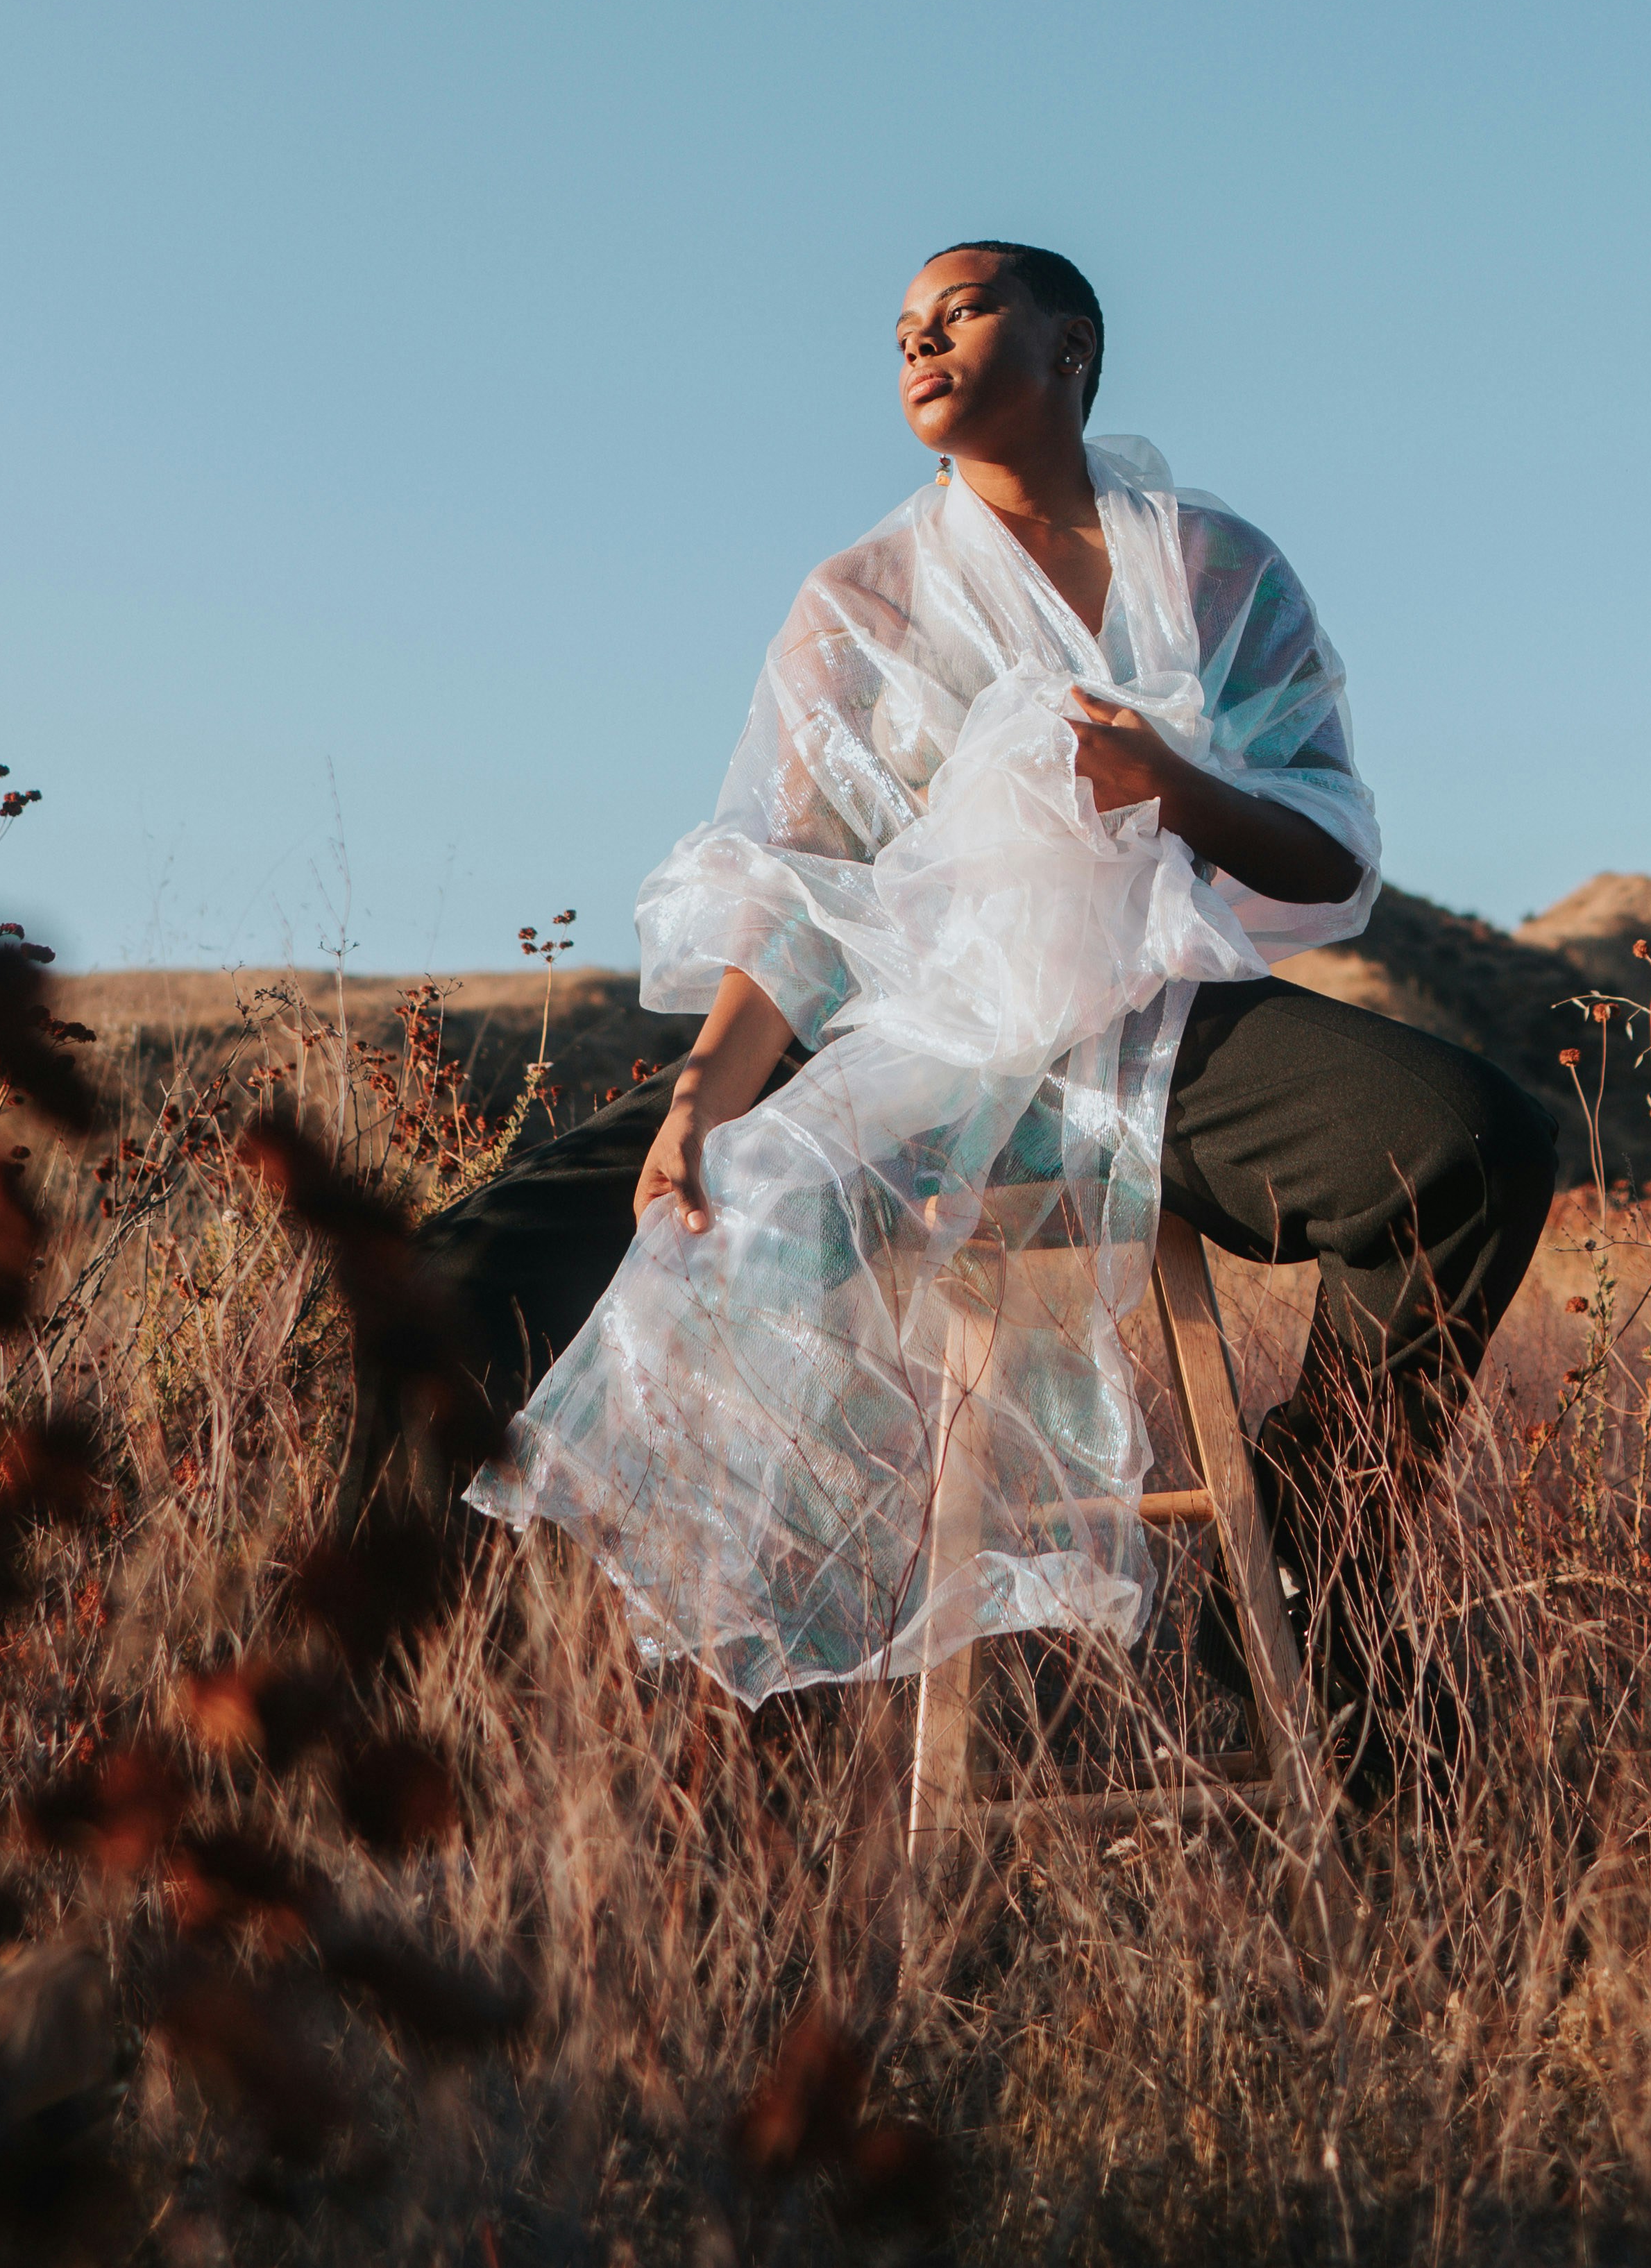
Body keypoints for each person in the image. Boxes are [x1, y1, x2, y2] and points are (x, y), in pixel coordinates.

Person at [405, 244, 1555, 1746]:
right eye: (899, 332)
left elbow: (1327, 840)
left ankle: (1311, 1588)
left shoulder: (1210, 567)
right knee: (447, 1280)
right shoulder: (863, 599)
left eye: (960, 313)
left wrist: (1168, 786)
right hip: (899, 1030)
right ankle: (445, 1715)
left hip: (1144, 1015)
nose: (919, 345)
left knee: (1477, 1143)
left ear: (1070, 345)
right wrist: (702, 1096)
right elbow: (805, 888)